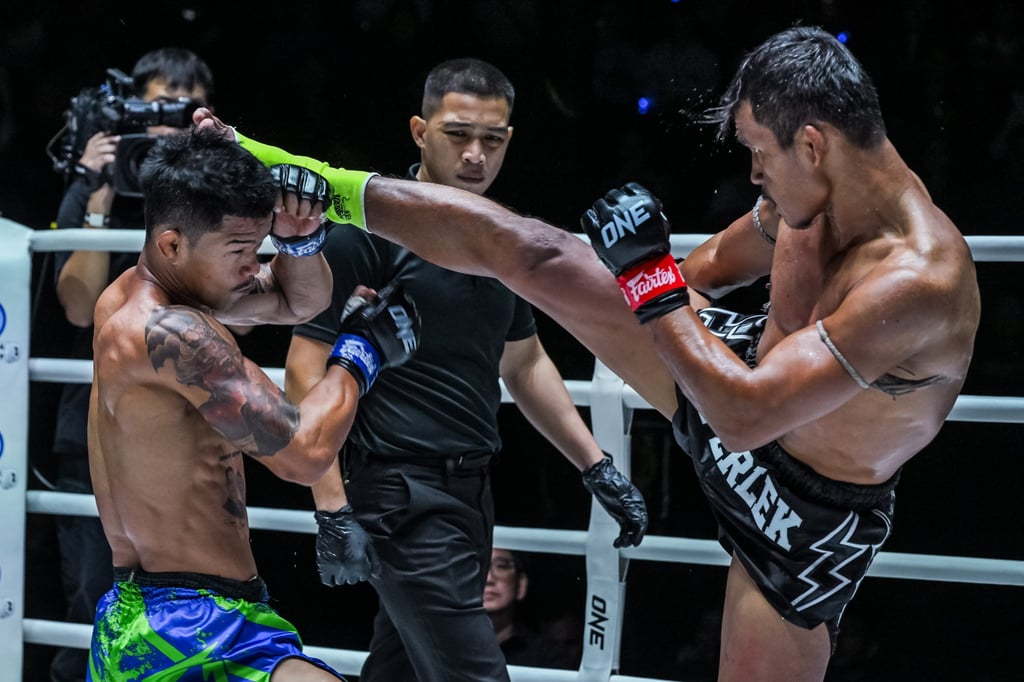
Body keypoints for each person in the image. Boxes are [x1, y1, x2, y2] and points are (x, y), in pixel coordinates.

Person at [196, 25, 980, 682]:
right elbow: (694, 281)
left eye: (759, 154)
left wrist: (646, 277)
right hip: (720, 379)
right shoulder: (800, 201)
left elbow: (745, 414)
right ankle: (291, 172)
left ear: (812, 143)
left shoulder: (916, 279)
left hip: (801, 510)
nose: (752, 175)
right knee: (533, 251)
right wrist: (616, 273)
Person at [278, 58, 647, 682]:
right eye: (458, 136)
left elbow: (524, 361)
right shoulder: (366, 232)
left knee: (397, 670)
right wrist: (331, 508)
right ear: (420, 132)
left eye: (493, 140)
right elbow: (303, 369)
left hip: (472, 494)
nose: (476, 154)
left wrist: (597, 465)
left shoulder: (498, 235)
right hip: (399, 496)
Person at [85, 127, 421, 680]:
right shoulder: (170, 332)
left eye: (258, 245)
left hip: (154, 613)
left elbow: (297, 299)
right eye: (240, 250)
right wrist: (362, 353)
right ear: (172, 243)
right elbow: (304, 453)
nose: (251, 266)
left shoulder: (135, 295)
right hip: (194, 628)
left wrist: (297, 242)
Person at [47, 46, 215, 682]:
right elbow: (79, 308)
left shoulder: (216, 199)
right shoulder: (95, 187)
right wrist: (95, 192)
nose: (166, 131)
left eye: (180, 113)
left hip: (190, 431)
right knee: (95, 605)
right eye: (153, 113)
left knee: (193, 606)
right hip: (96, 434)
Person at [485, 548, 579, 670]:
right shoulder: (452, 646)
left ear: (521, 585)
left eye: (501, 566)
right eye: (478, 565)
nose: (488, 579)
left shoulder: (547, 655)